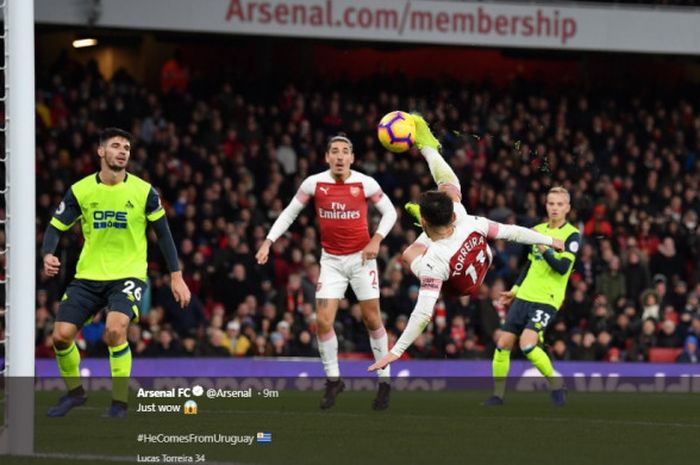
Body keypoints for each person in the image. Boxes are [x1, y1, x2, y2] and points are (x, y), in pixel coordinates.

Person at [367, 115, 563, 375]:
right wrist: (550, 240)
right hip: (482, 257)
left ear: (424, 223)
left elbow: (423, 315)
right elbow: (512, 232)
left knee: (407, 254)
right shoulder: (468, 219)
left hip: (462, 285)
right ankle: (428, 147)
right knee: (451, 189)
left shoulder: (433, 262)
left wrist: (395, 352)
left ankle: (428, 209)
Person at [42, 128, 191, 417]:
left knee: (114, 330)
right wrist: (48, 254)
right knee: (60, 337)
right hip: (88, 275)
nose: (123, 151)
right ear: (101, 152)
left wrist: (177, 275)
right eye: (116, 146)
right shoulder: (81, 190)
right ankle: (75, 394)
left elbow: (164, 234)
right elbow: (54, 227)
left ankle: (119, 403)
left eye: (126, 147)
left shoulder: (144, 192)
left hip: (128, 274)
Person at [255, 134, 397, 410]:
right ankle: (334, 381)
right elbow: (289, 213)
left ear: (352, 158)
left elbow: (390, 212)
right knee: (322, 322)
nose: (340, 156)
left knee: (371, 320)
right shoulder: (314, 183)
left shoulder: (365, 183)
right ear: (327, 157)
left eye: (345, 151)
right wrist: (268, 241)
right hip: (331, 261)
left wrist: (376, 239)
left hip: (362, 260)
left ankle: (384, 382)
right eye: (335, 151)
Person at [482, 185, 581, 407]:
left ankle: (557, 385)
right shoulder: (536, 229)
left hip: (547, 298)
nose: (555, 208)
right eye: (551, 203)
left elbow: (563, 267)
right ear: (546, 205)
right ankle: (497, 395)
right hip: (525, 295)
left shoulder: (571, 235)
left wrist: (544, 246)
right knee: (503, 343)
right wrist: (515, 291)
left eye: (559, 204)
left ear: (567, 208)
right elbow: (529, 265)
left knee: (527, 345)